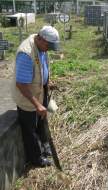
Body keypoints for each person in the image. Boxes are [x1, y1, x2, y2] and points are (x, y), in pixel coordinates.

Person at [11, 26, 60, 167]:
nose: (49, 49)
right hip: (27, 98)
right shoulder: (26, 53)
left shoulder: (41, 45)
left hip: (40, 91)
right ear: (40, 38)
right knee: (30, 130)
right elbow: (21, 84)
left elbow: (41, 67)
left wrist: (47, 83)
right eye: (48, 46)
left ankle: (44, 147)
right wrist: (37, 105)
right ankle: (36, 159)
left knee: (41, 121)